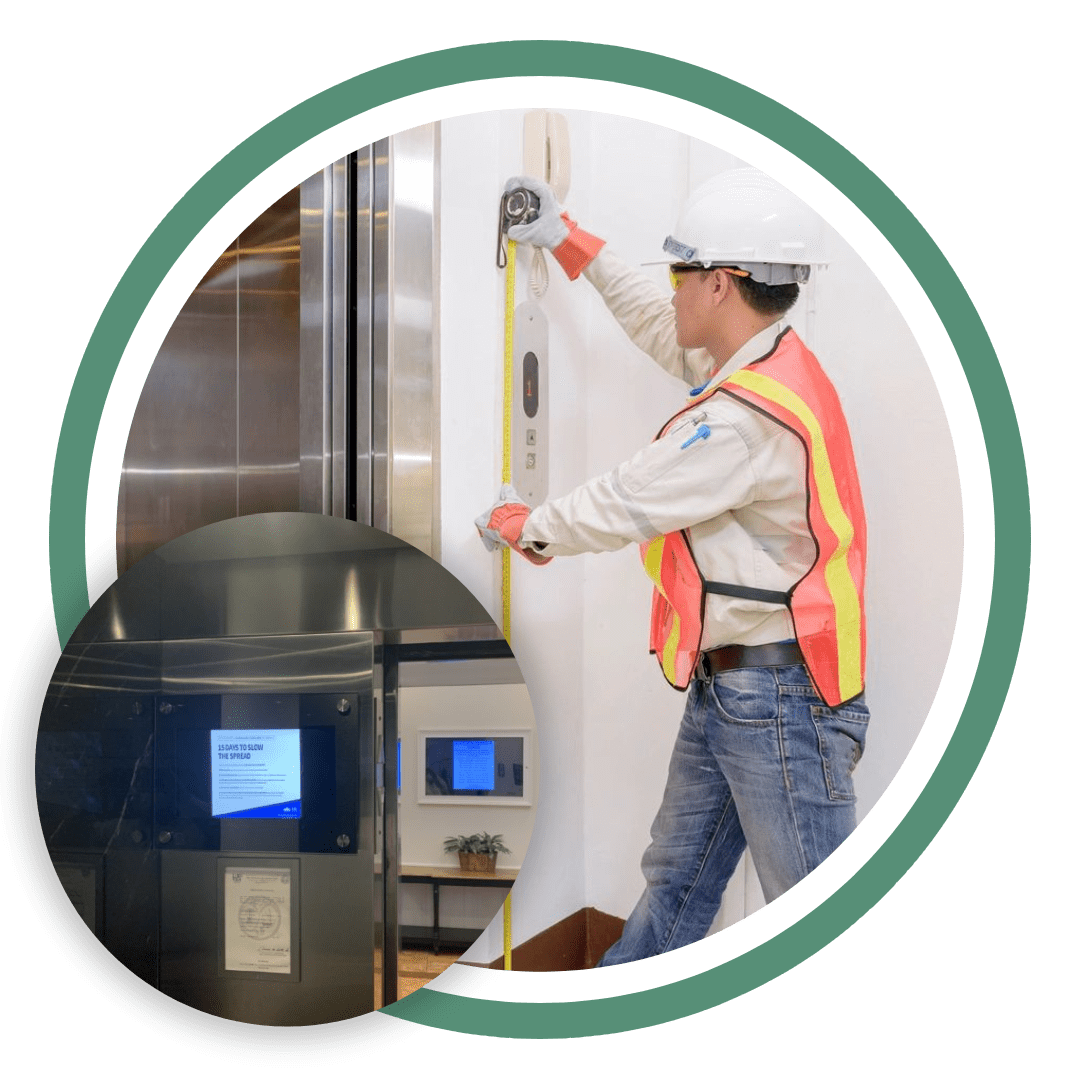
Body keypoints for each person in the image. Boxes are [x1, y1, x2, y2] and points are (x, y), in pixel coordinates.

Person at [477, 169, 870, 966]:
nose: (675, 290)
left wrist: (527, 526)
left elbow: (628, 499)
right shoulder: (766, 364)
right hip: (736, 690)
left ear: (720, 284)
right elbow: (659, 324)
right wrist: (564, 236)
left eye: (682, 273)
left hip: (778, 703)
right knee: (676, 886)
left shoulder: (743, 420)